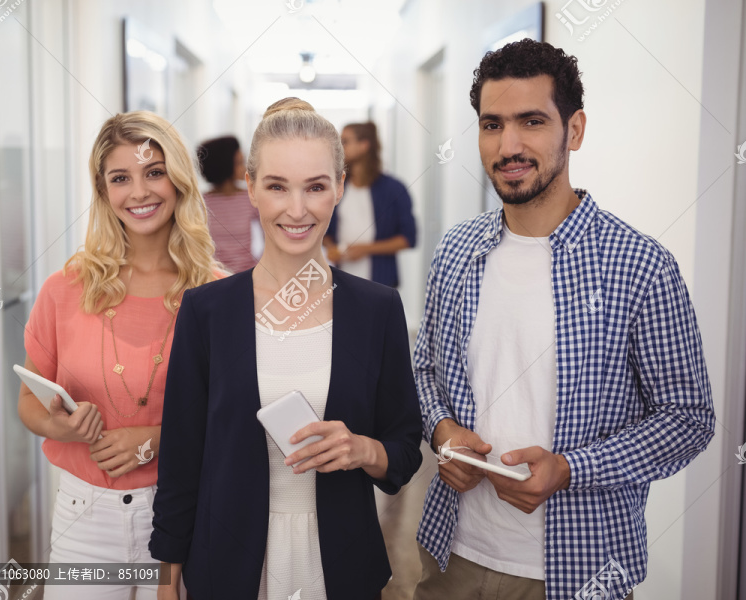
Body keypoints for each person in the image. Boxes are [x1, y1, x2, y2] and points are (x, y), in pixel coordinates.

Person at [413, 39, 714, 600]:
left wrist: (573, 468)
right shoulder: (454, 252)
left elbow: (689, 418)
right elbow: (425, 368)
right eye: (492, 124)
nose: (509, 145)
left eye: (532, 121)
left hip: (579, 571)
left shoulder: (639, 266)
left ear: (573, 130)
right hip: (452, 551)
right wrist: (441, 430)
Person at [150, 98, 423, 600]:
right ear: (251, 186)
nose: (297, 210)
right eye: (277, 186)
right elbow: (181, 461)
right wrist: (167, 583)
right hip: (228, 567)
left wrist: (361, 449)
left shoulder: (376, 309)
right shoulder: (206, 312)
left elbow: (405, 450)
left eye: (316, 187)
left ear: (339, 187)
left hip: (340, 565)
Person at [18, 111, 221, 599]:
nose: (140, 192)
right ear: (104, 190)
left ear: (177, 180)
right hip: (83, 520)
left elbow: (229, 416)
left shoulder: (215, 294)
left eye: (154, 172)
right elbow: (28, 400)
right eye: (120, 178)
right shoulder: (65, 289)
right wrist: (57, 425)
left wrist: (153, 439)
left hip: (183, 511)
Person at [323, 121, 416, 287]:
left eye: (345, 141)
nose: (339, 147)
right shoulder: (337, 186)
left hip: (381, 282)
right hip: (341, 281)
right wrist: (331, 247)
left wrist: (365, 249)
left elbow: (409, 238)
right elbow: (326, 231)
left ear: (364, 145)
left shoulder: (394, 189)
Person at [197, 135, 260, 272]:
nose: (245, 167)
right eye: (239, 162)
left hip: (248, 276)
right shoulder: (200, 203)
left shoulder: (250, 197)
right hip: (214, 278)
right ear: (225, 165)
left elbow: (272, 237)